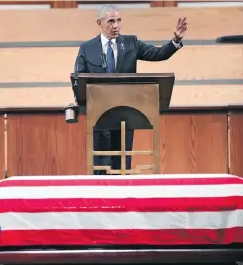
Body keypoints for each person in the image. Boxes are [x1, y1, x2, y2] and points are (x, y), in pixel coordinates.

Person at [75, 4, 188, 175]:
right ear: (100, 22)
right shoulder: (87, 48)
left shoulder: (131, 44)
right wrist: (80, 99)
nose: (116, 26)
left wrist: (176, 41)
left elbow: (158, 54)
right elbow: (79, 79)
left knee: (121, 167)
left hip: (124, 114)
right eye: (111, 21)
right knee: (101, 168)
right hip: (99, 117)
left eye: (119, 21)